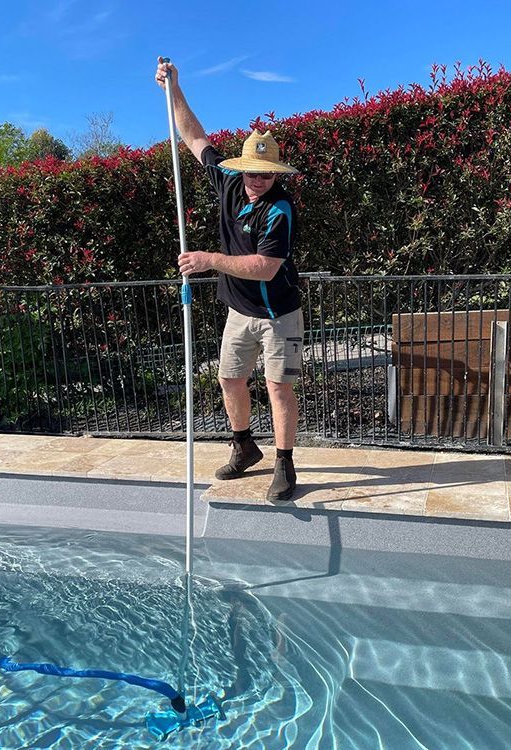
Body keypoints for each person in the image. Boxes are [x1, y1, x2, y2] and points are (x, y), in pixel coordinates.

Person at [155, 57, 302, 504]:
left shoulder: (280, 210)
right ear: (240, 169)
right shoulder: (229, 182)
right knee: (229, 380)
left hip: (278, 312)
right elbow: (194, 137)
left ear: (274, 174)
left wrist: (208, 259)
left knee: (278, 386)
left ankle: (284, 462)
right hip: (240, 312)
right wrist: (174, 88)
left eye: (265, 174)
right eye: (250, 172)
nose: (256, 180)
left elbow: (265, 267)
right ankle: (243, 446)